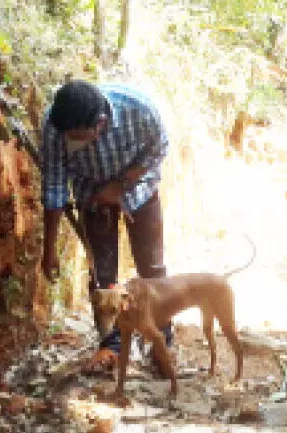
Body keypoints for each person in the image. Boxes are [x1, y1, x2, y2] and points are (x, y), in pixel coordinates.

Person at [40, 80, 174, 374]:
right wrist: (48, 249)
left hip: (139, 187)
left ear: (100, 124)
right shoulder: (54, 126)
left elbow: (159, 149)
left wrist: (122, 185)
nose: (71, 143)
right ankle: (111, 343)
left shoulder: (139, 110)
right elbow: (54, 187)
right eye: (68, 138)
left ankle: (162, 338)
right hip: (92, 194)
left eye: (78, 137)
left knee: (151, 267)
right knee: (102, 274)